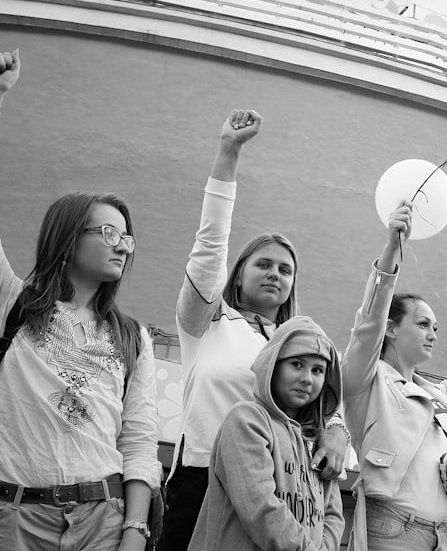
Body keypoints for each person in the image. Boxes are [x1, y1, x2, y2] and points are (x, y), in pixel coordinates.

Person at [161, 109, 349, 550]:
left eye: (286, 270)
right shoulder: (204, 322)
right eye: (263, 264)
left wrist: (337, 427)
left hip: (282, 486)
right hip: (201, 479)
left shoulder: (296, 343)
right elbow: (209, 247)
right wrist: (229, 153)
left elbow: (320, 394)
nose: (275, 274)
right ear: (238, 274)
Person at [0, 56, 160, 549]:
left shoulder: (132, 337)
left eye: (127, 238)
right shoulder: (14, 304)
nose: (120, 245)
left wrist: (135, 529)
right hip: (19, 518)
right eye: (108, 232)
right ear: (68, 240)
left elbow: (138, 440)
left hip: (104, 519)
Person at [341, 201, 447, 551]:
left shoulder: (437, 395)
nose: (433, 333)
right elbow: (367, 323)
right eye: (422, 324)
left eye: (435, 327)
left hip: (446, 537)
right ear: (390, 329)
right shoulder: (366, 382)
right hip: (391, 532)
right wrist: (391, 250)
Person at [188, 316, 344, 550]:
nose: (307, 379)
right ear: (272, 364)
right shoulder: (246, 420)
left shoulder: (318, 440)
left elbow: (333, 514)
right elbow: (260, 508)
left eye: (318, 370)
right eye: (297, 364)